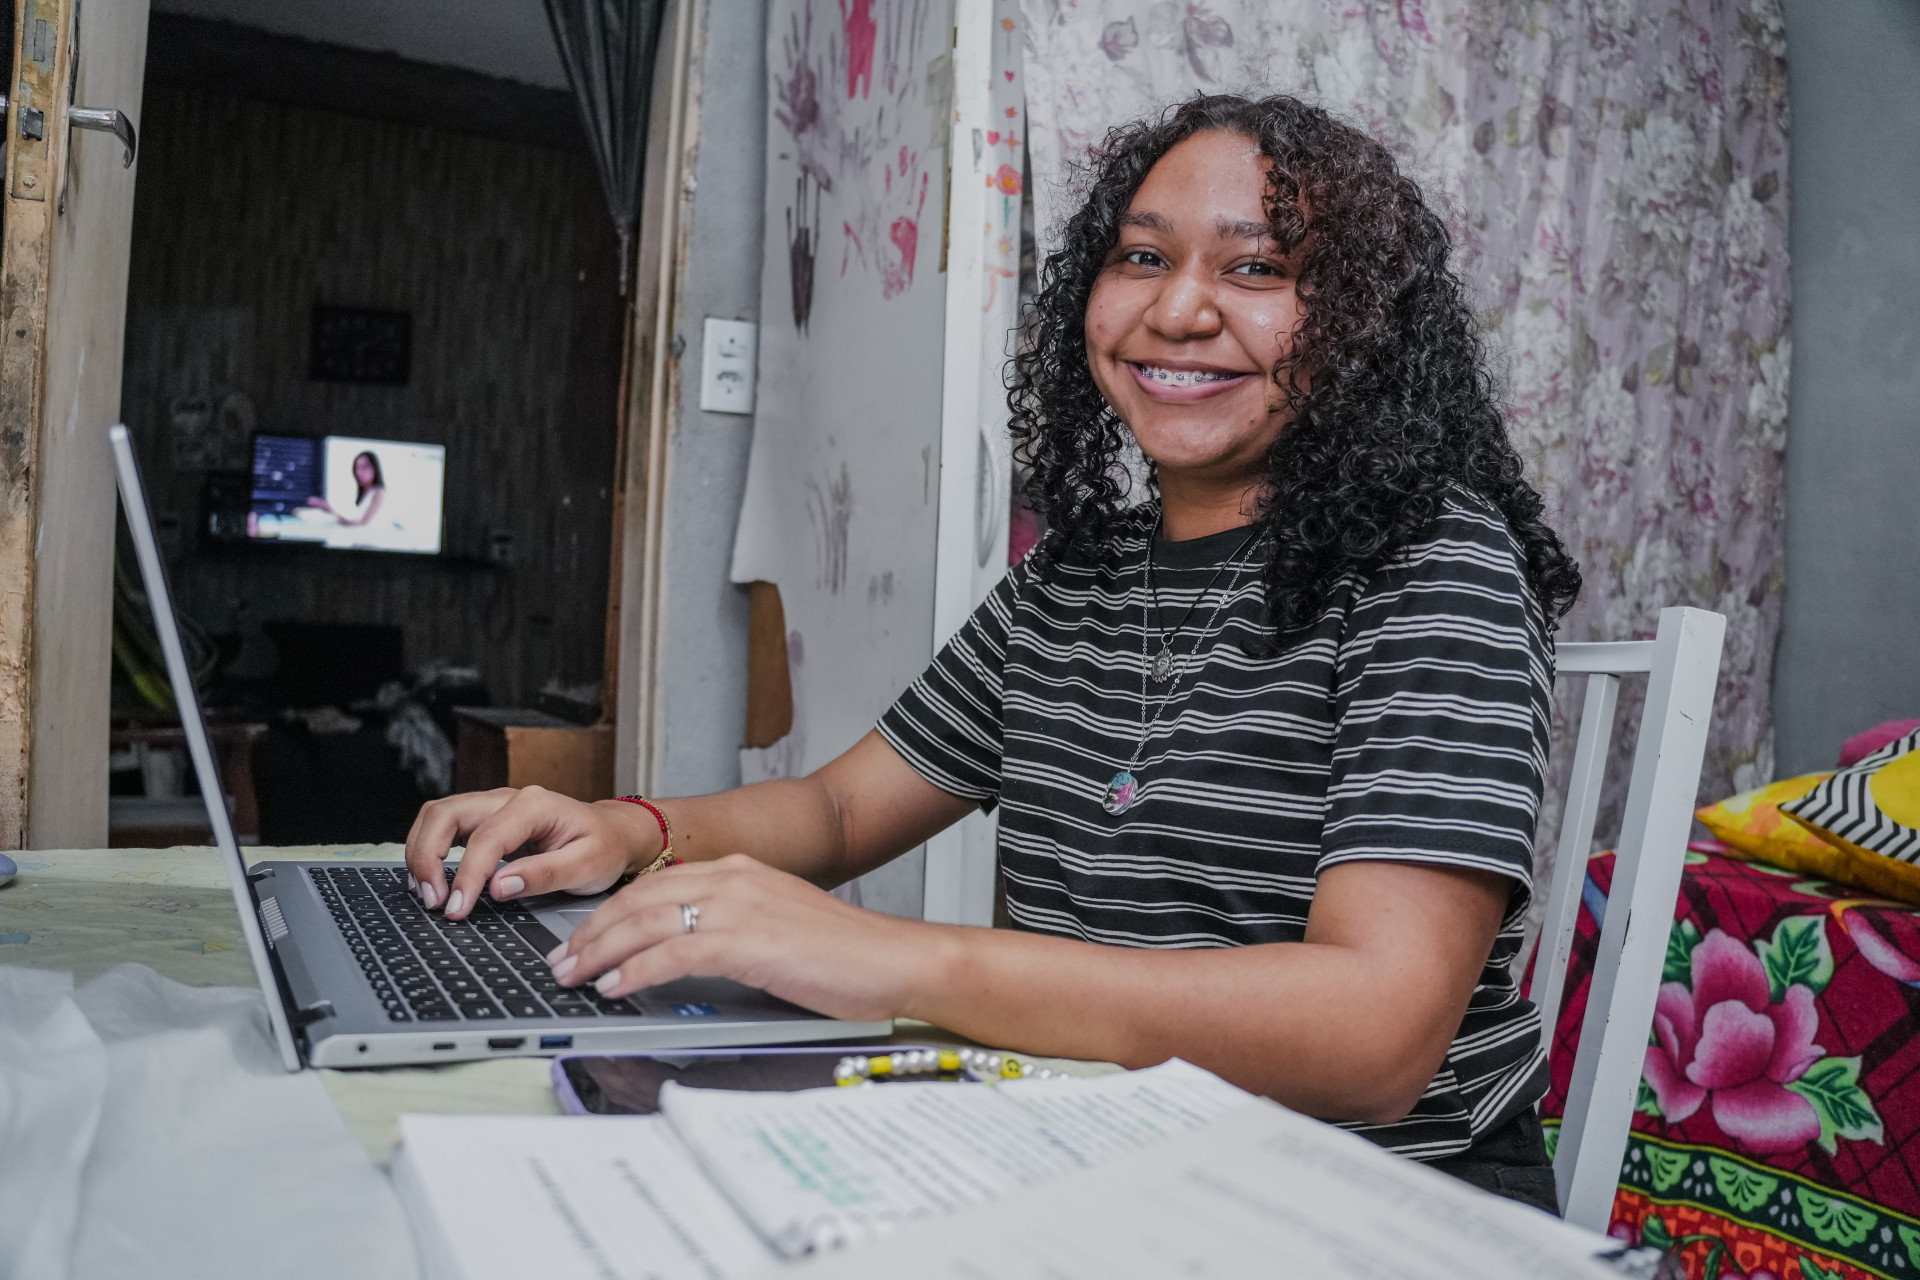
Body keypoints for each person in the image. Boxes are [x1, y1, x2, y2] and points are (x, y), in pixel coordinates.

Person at [403, 93, 1581, 1210]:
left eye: (1258, 267)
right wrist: (626, 830)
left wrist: (894, 959)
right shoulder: (1072, 580)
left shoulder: (1431, 563)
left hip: (1377, 1195)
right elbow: (834, 811)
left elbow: (1375, 1032)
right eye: (1142, 255)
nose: (1178, 310)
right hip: (1105, 1145)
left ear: (1365, 322)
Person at [307, 449, 386, 526]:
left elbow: (361, 525)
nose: (359, 472)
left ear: (375, 468)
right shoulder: (367, 493)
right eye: (356, 468)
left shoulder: (379, 493)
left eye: (364, 467)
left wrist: (330, 510)